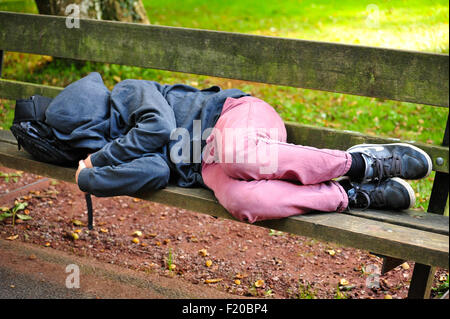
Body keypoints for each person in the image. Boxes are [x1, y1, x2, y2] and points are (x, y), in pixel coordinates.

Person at [47, 72, 430, 224]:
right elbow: (158, 171)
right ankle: (349, 195)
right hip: (207, 170)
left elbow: (158, 127)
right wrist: (90, 181)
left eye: (86, 131)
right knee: (244, 203)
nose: (88, 138)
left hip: (233, 118)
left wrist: (99, 160)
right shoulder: (120, 143)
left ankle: (361, 161)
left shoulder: (129, 91)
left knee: (233, 151)